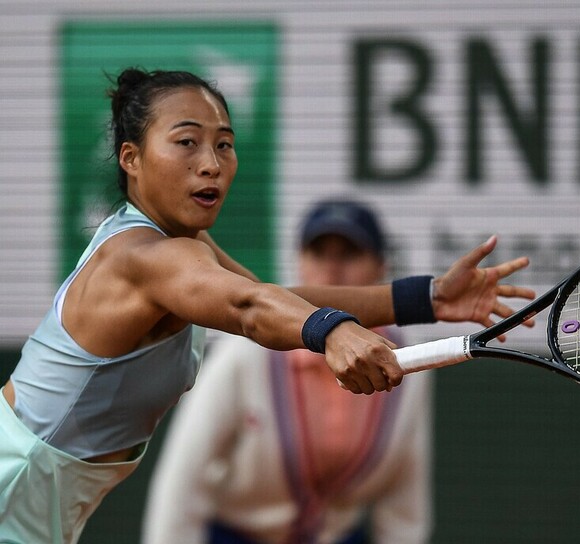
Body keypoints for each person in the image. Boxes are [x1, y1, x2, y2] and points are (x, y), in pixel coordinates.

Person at [0, 67, 534, 544]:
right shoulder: (143, 257)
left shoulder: (184, 245)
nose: (211, 164)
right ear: (131, 159)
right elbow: (250, 308)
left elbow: (277, 302)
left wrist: (425, 298)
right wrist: (333, 331)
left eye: (224, 145)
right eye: (186, 142)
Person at [143, 199, 433, 544]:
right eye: (318, 253)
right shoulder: (246, 353)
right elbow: (181, 484)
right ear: (299, 262)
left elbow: (404, 499)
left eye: (349, 254)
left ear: (381, 268)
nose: (331, 269)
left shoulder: (403, 361)